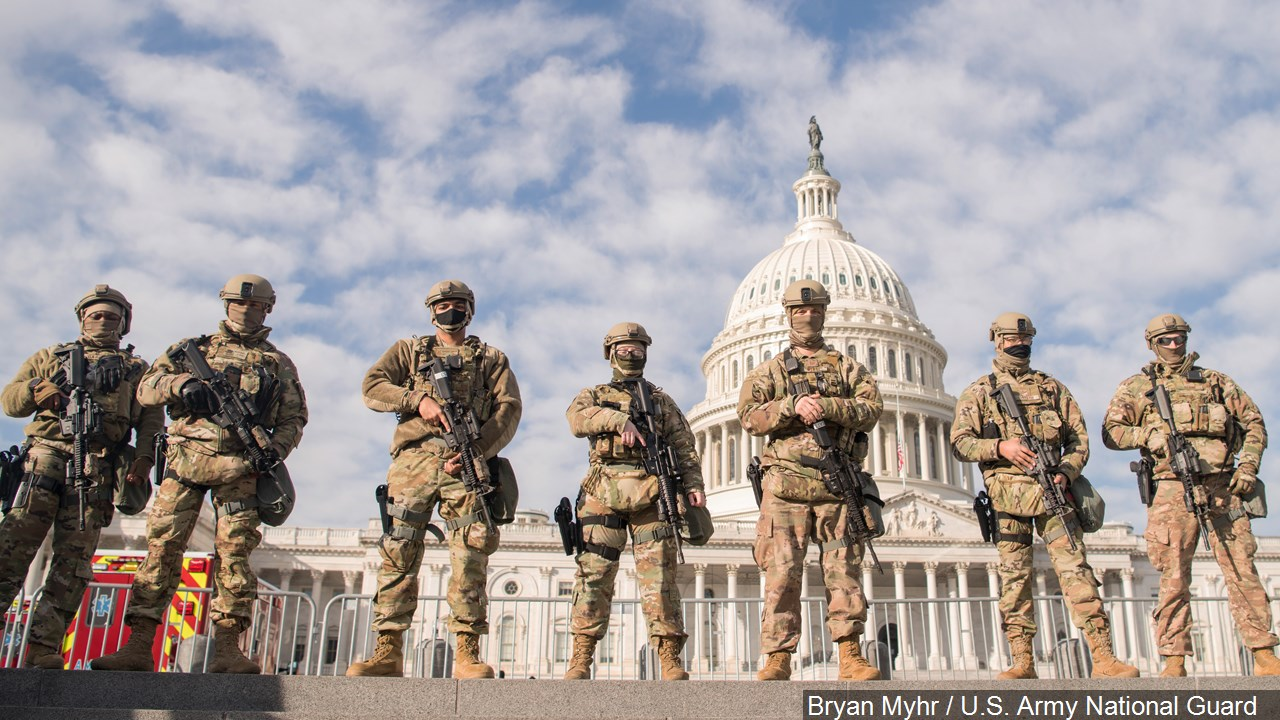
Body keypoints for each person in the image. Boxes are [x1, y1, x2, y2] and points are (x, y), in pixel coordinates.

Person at [92, 274, 307, 673]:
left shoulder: (278, 363)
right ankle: (139, 643)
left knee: (235, 558)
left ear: (267, 309)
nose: (246, 312)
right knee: (161, 550)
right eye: (239, 305)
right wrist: (182, 385)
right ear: (226, 305)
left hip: (242, 468)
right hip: (186, 462)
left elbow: (294, 418)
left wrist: (272, 453)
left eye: (256, 306)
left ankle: (227, 647)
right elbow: (147, 389)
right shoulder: (192, 350)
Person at [347, 280, 521, 679]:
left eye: (458, 304)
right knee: (399, 552)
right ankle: (387, 650)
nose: (451, 311)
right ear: (431, 311)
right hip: (415, 462)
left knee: (471, 555)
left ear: (470, 310)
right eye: (443, 305)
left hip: (467, 463)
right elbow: (372, 387)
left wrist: (479, 450)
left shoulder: (491, 358)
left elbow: (508, 409)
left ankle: (467, 652)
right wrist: (417, 401)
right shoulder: (409, 351)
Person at [950, 312, 1138, 679]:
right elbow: (960, 443)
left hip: (1053, 494)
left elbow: (1079, 440)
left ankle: (1103, 655)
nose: (1018, 344)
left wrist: (1066, 473)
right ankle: (1022, 660)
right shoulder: (979, 393)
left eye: (1025, 338)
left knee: (1076, 572)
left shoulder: (1053, 389)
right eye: (1009, 338)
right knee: (1014, 581)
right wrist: (1001, 447)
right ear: (997, 340)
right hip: (1008, 499)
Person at [1102, 313, 1278, 677]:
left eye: (1178, 337)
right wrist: (1147, 437)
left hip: (1222, 485)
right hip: (1171, 488)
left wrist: (1247, 468)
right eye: (1165, 339)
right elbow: (1112, 432)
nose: (1173, 344)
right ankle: (1174, 658)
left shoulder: (1216, 382)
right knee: (1172, 575)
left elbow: (1254, 423)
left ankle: (1263, 652)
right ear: (1152, 344)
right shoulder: (1137, 387)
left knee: (1242, 569)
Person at [0, 285, 162, 669]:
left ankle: (42, 647)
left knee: (73, 564)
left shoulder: (136, 371)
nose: (104, 321)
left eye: (112, 316)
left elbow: (151, 420)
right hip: (44, 459)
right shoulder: (48, 358)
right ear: (81, 319)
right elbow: (9, 401)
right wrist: (38, 389)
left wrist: (143, 460)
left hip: (97, 468)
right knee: (10, 551)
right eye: (96, 315)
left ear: (124, 324)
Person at [738, 280, 883, 681]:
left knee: (844, 575)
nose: (808, 315)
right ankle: (778, 656)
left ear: (824, 312)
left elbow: (872, 408)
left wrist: (828, 406)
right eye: (800, 310)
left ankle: (850, 655)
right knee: (782, 574)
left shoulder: (849, 368)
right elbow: (749, 417)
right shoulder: (769, 371)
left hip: (837, 487)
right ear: (788, 314)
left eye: (815, 308)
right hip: (786, 487)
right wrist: (791, 405)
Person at [562, 322, 705, 681]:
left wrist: (693, 484)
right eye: (624, 347)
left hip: (652, 493)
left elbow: (684, 445)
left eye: (637, 347)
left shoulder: (660, 400)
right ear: (610, 353)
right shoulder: (593, 395)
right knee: (593, 577)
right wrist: (618, 419)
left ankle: (669, 657)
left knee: (660, 580)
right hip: (603, 492)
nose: (631, 352)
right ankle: (581, 657)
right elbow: (576, 420)